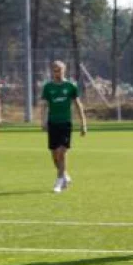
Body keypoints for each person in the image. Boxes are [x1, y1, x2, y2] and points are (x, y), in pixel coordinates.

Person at [40, 61, 88, 193]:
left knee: (62, 152)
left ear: (64, 71)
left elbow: (78, 105)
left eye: (59, 70)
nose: (57, 73)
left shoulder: (70, 86)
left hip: (66, 123)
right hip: (52, 123)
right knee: (55, 155)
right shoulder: (48, 87)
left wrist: (83, 124)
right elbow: (44, 105)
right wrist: (42, 121)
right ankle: (64, 175)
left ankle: (58, 181)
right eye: (55, 70)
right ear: (52, 72)